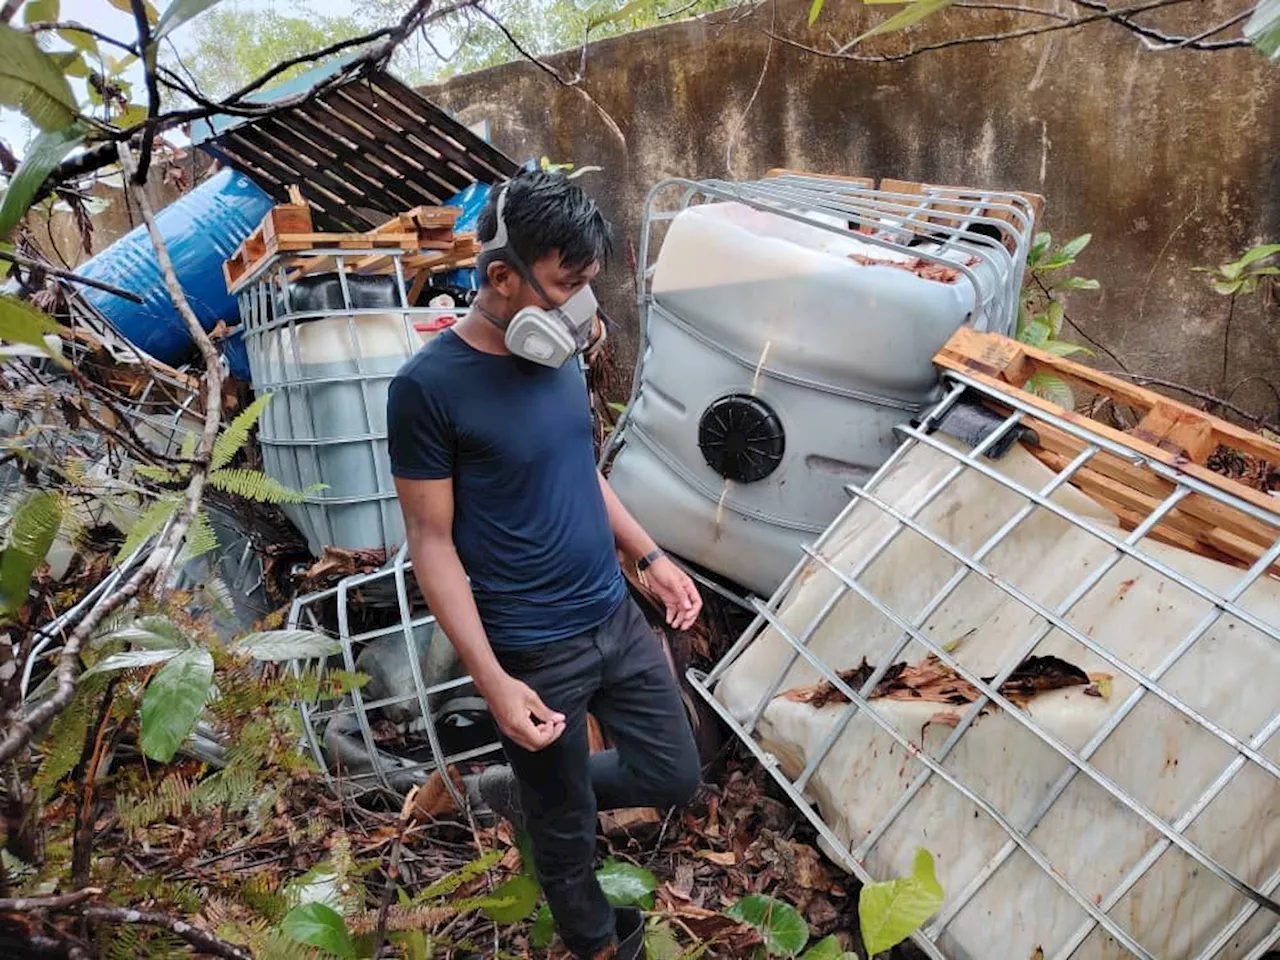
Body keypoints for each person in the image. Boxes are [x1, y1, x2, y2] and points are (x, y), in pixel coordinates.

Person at [387, 169, 703, 960]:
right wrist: (493, 681)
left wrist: (649, 555)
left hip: (613, 616)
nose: (580, 308)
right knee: (566, 842)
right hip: (534, 648)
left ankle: (522, 788)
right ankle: (599, 941)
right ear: (501, 277)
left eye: (588, 285)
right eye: (566, 285)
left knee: (673, 773)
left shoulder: (556, 354)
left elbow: (580, 470)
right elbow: (431, 543)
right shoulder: (426, 392)